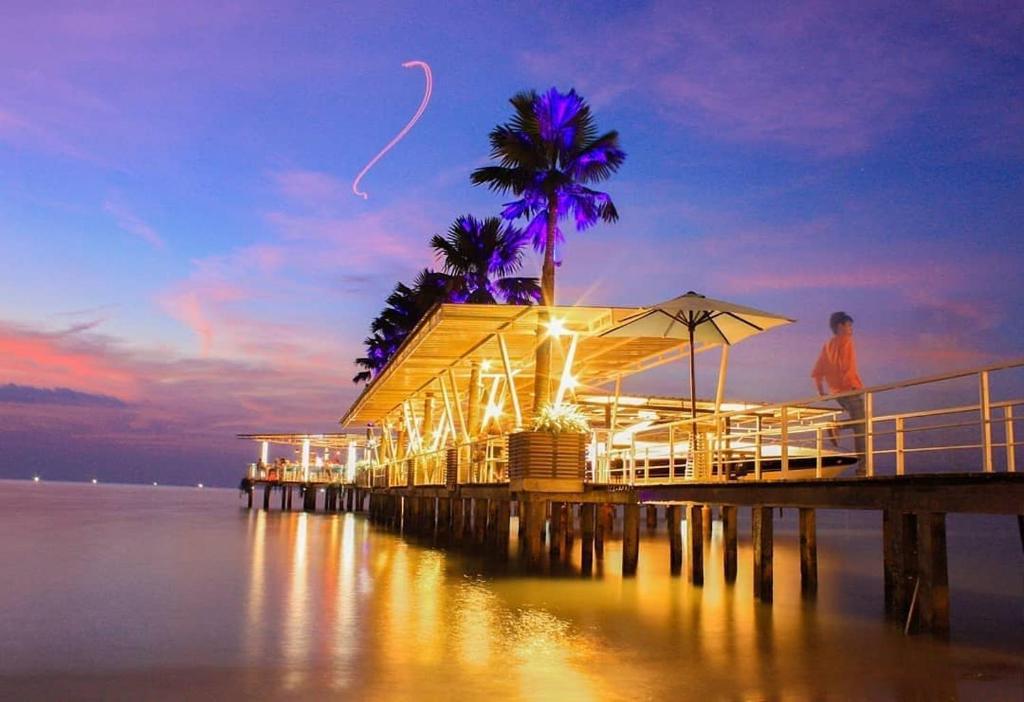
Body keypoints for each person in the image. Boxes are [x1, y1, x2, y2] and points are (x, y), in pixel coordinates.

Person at [811, 312, 866, 475]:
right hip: (850, 390)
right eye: (849, 325)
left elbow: (817, 372)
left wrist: (822, 392)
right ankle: (863, 468)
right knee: (862, 427)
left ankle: (838, 427)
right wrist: (854, 387)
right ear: (840, 326)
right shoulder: (846, 341)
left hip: (837, 393)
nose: (851, 329)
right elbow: (846, 366)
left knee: (860, 424)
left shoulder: (828, 345)